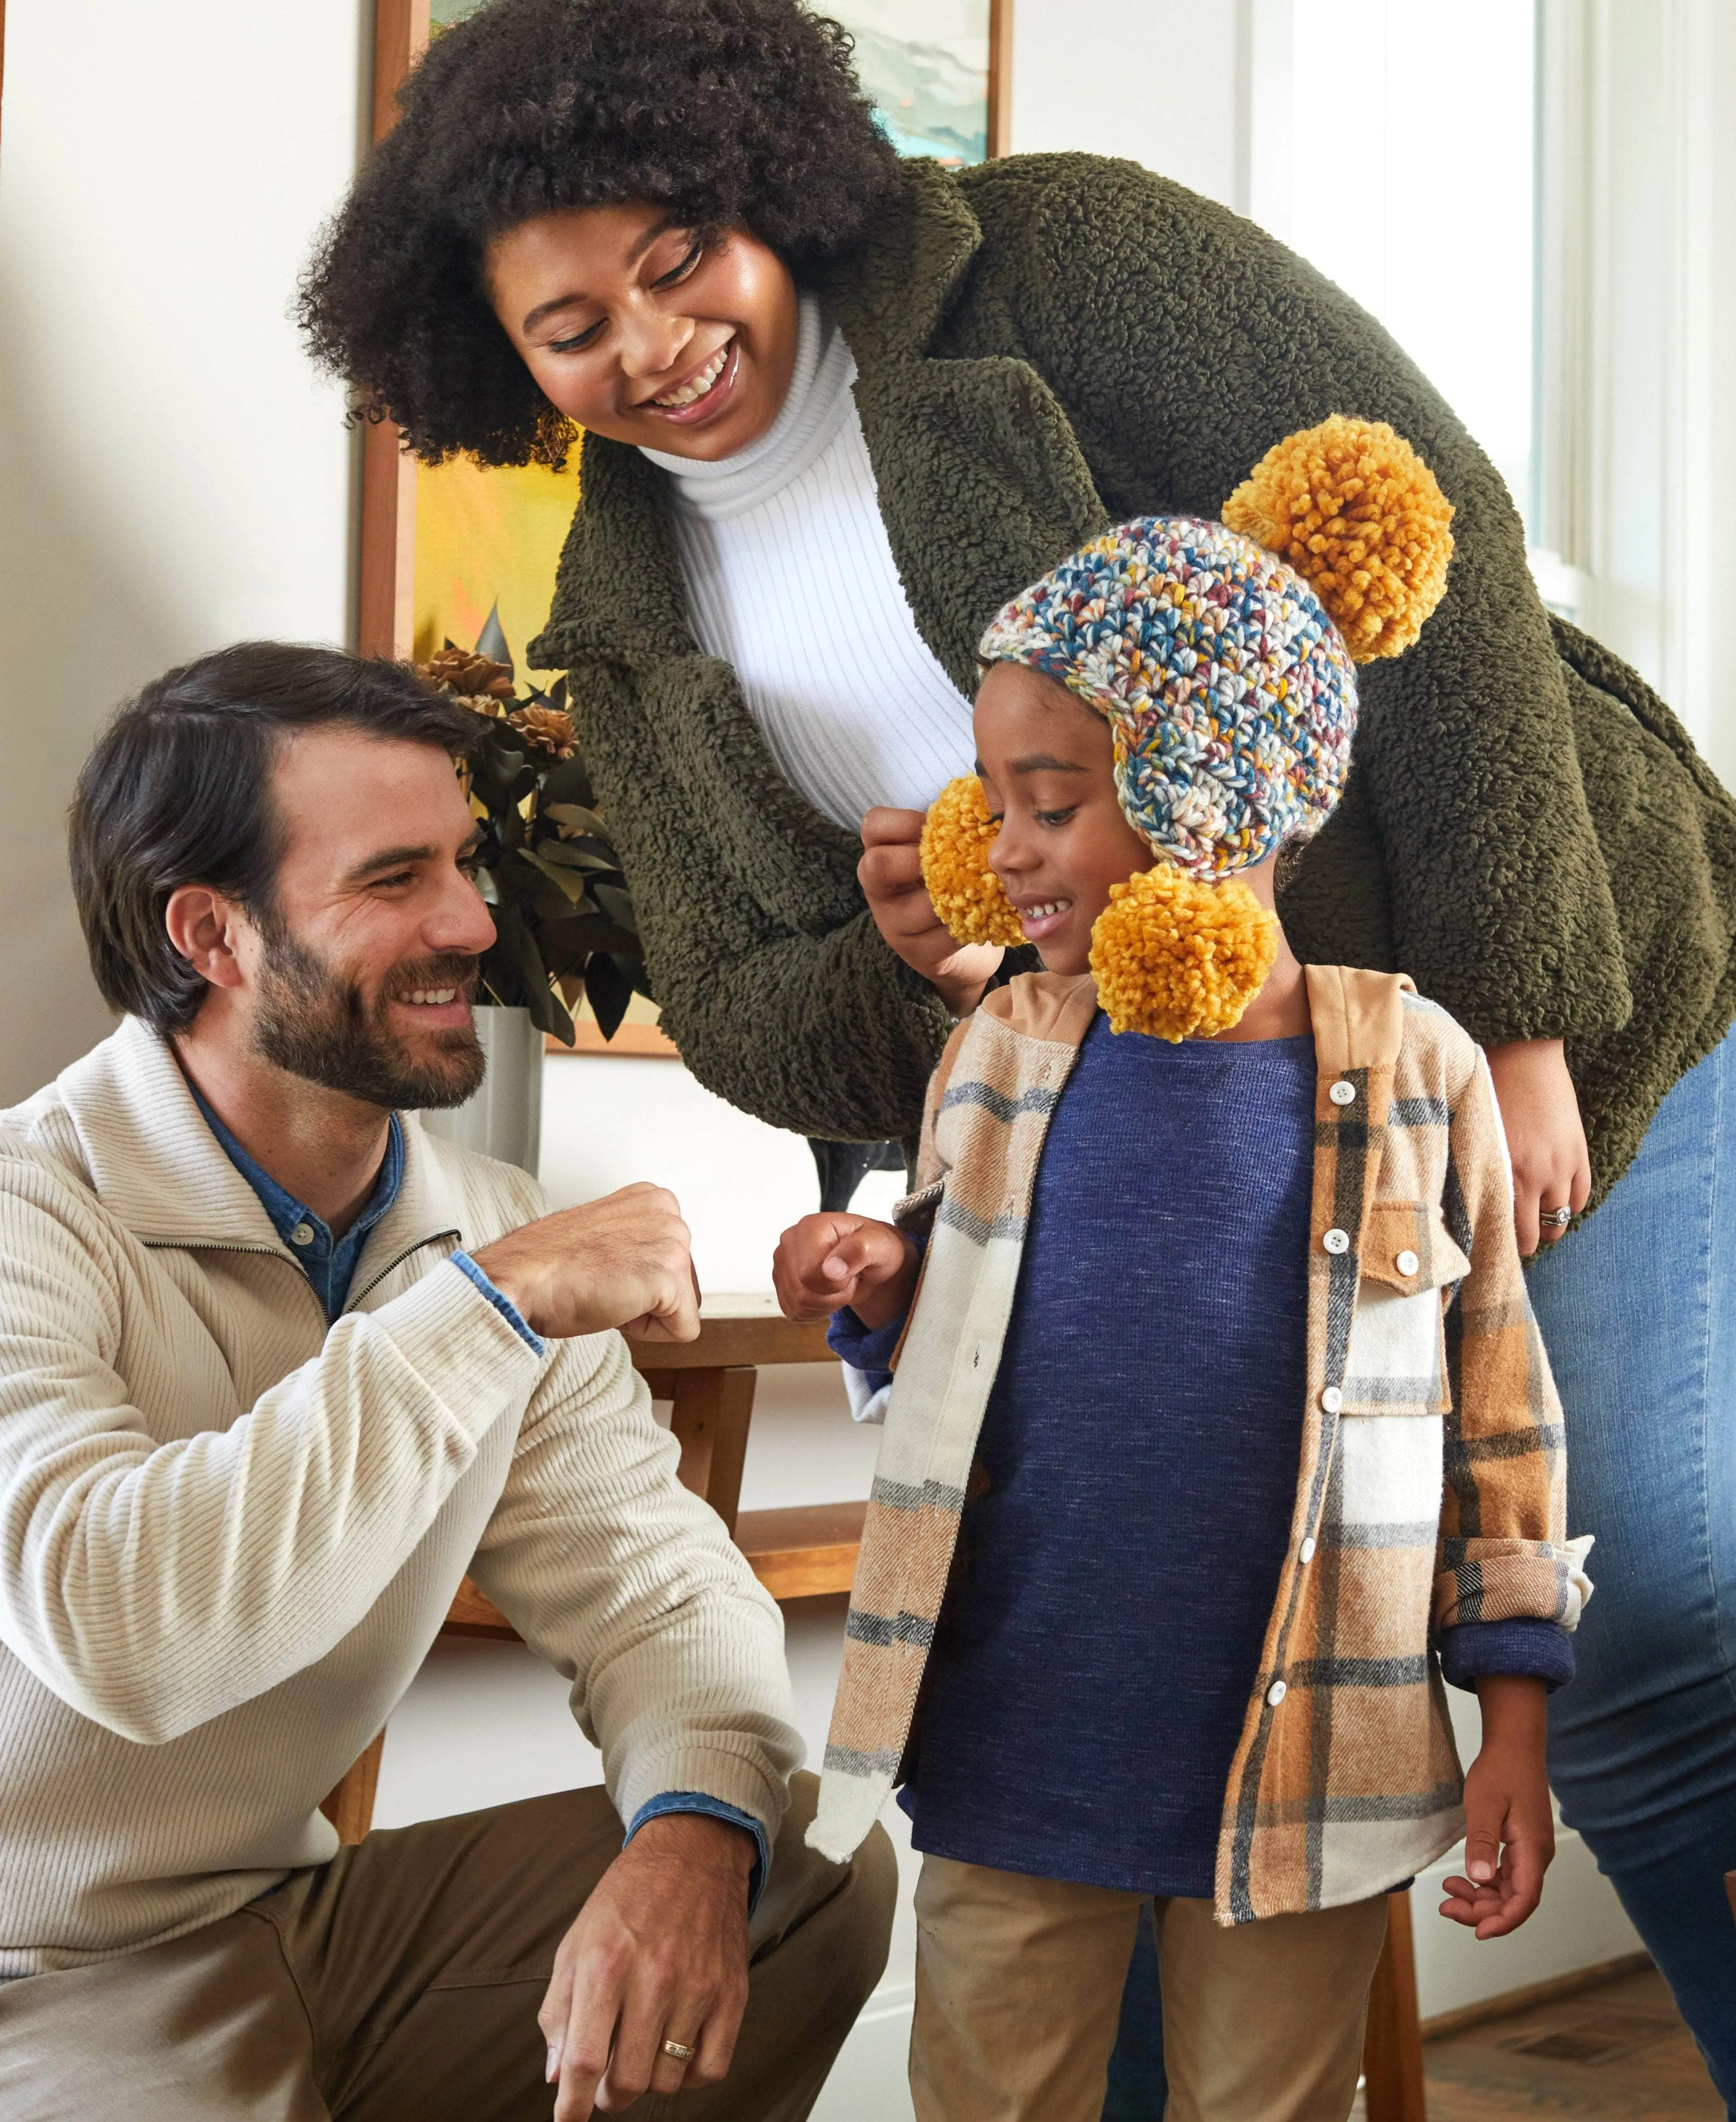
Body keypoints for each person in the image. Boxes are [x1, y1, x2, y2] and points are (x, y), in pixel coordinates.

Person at [298, 0, 1736, 2087]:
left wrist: (1525, 1014)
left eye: (682, 257)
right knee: (1133, 1702)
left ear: (764, 185)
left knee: (1643, 1647)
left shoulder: (1061, 260)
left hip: (1534, 1018)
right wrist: (908, 964)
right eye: (573, 326)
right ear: (499, 357)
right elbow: (743, 1000)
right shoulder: (621, 601)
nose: (657, 343)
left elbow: (1441, 556)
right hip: (1186, 1172)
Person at [773, 452, 1593, 2122]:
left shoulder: (1423, 1069)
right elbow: (951, 1346)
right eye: (993, 800)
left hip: (1314, 1766)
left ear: (1208, 791)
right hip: (1014, 1734)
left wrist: (1513, 1722)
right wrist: (878, 1279)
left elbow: (1503, 1415)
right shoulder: (997, 1048)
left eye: (1050, 803)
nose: (1003, 852)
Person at [0, 643, 894, 2122]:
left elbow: (656, 1591)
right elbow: (123, 1630)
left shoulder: (487, 1222)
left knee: (790, 1868)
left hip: (297, 1922)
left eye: (463, 863)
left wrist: (689, 1828)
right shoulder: (30, 1209)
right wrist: (492, 1305)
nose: (474, 921)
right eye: (395, 878)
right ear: (212, 933)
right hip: (40, 1977)